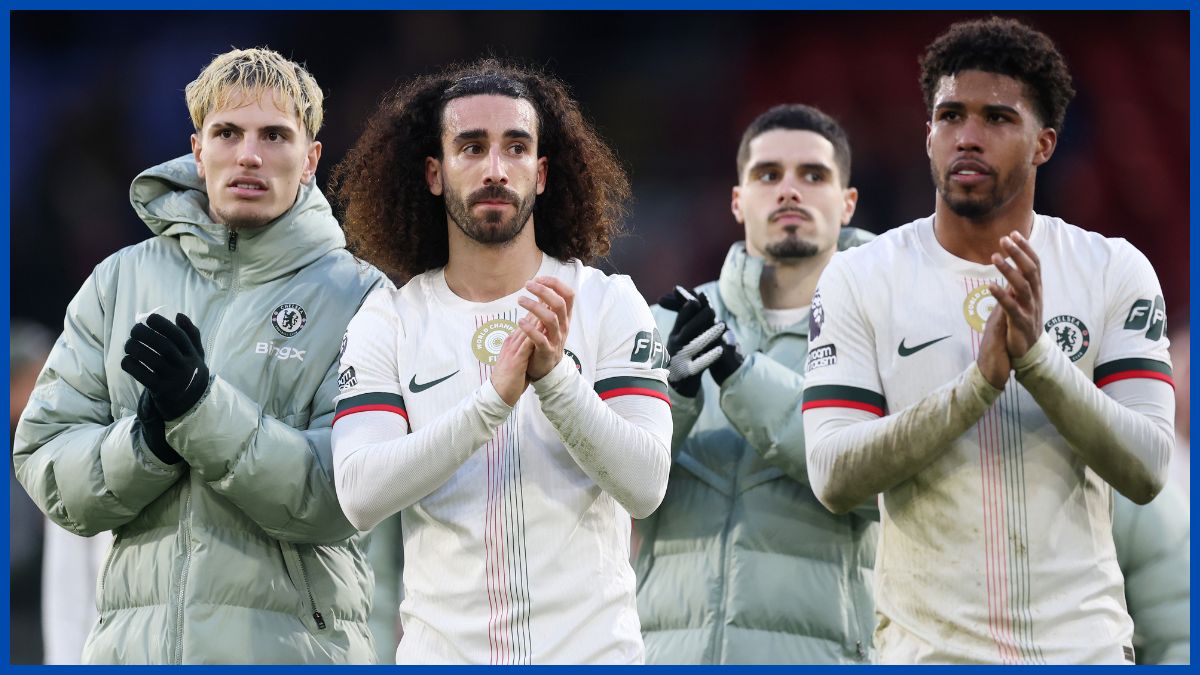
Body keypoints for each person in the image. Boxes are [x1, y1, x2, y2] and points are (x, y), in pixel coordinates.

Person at [801, 17, 1175, 664]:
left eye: (997, 118)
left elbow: (1147, 469)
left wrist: (1040, 362)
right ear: (927, 135)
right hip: (928, 654)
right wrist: (977, 387)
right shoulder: (861, 278)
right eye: (950, 116)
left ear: (1044, 144)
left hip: (1083, 649)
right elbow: (833, 475)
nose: (967, 137)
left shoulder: (1113, 269)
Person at [13, 47, 390, 664]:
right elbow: (47, 464)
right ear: (196, 149)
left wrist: (200, 410)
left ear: (311, 159)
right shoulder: (116, 284)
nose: (249, 155)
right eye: (228, 133)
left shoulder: (360, 296)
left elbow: (346, 495)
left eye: (274, 135)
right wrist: (149, 444)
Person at [328, 58, 671, 665]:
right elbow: (359, 493)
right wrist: (491, 404)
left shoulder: (607, 303)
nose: (494, 169)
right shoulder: (391, 319)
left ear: (540, 174)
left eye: (515, 148)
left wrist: (557, 380)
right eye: (471, 147)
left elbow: (646, 485)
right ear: (434, 173)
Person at [633, 104, 877, 663]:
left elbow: (887, 494)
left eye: (813, 175)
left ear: (847, 203)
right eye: (768, 175)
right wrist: (674, 400)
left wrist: (743, 376)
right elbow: (609, 492)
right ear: (738, 199)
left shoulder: (889, 328)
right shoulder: (662, 323)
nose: (789, 190)